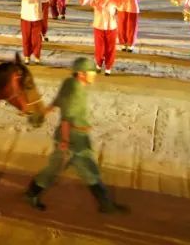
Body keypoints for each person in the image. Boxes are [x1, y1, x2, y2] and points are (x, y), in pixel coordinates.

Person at [25, 57, 128, 214]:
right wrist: (65, 141)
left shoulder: (69, 83)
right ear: (81, 74)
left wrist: (42, 113)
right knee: (75, 170)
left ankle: (31, 193)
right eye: (91, 73)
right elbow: (67, 118)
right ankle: (106, 206)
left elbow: (56, 102)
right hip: (73, 138)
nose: (94, 75)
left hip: (75, 136)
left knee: (69, 169)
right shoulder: (76, 92)